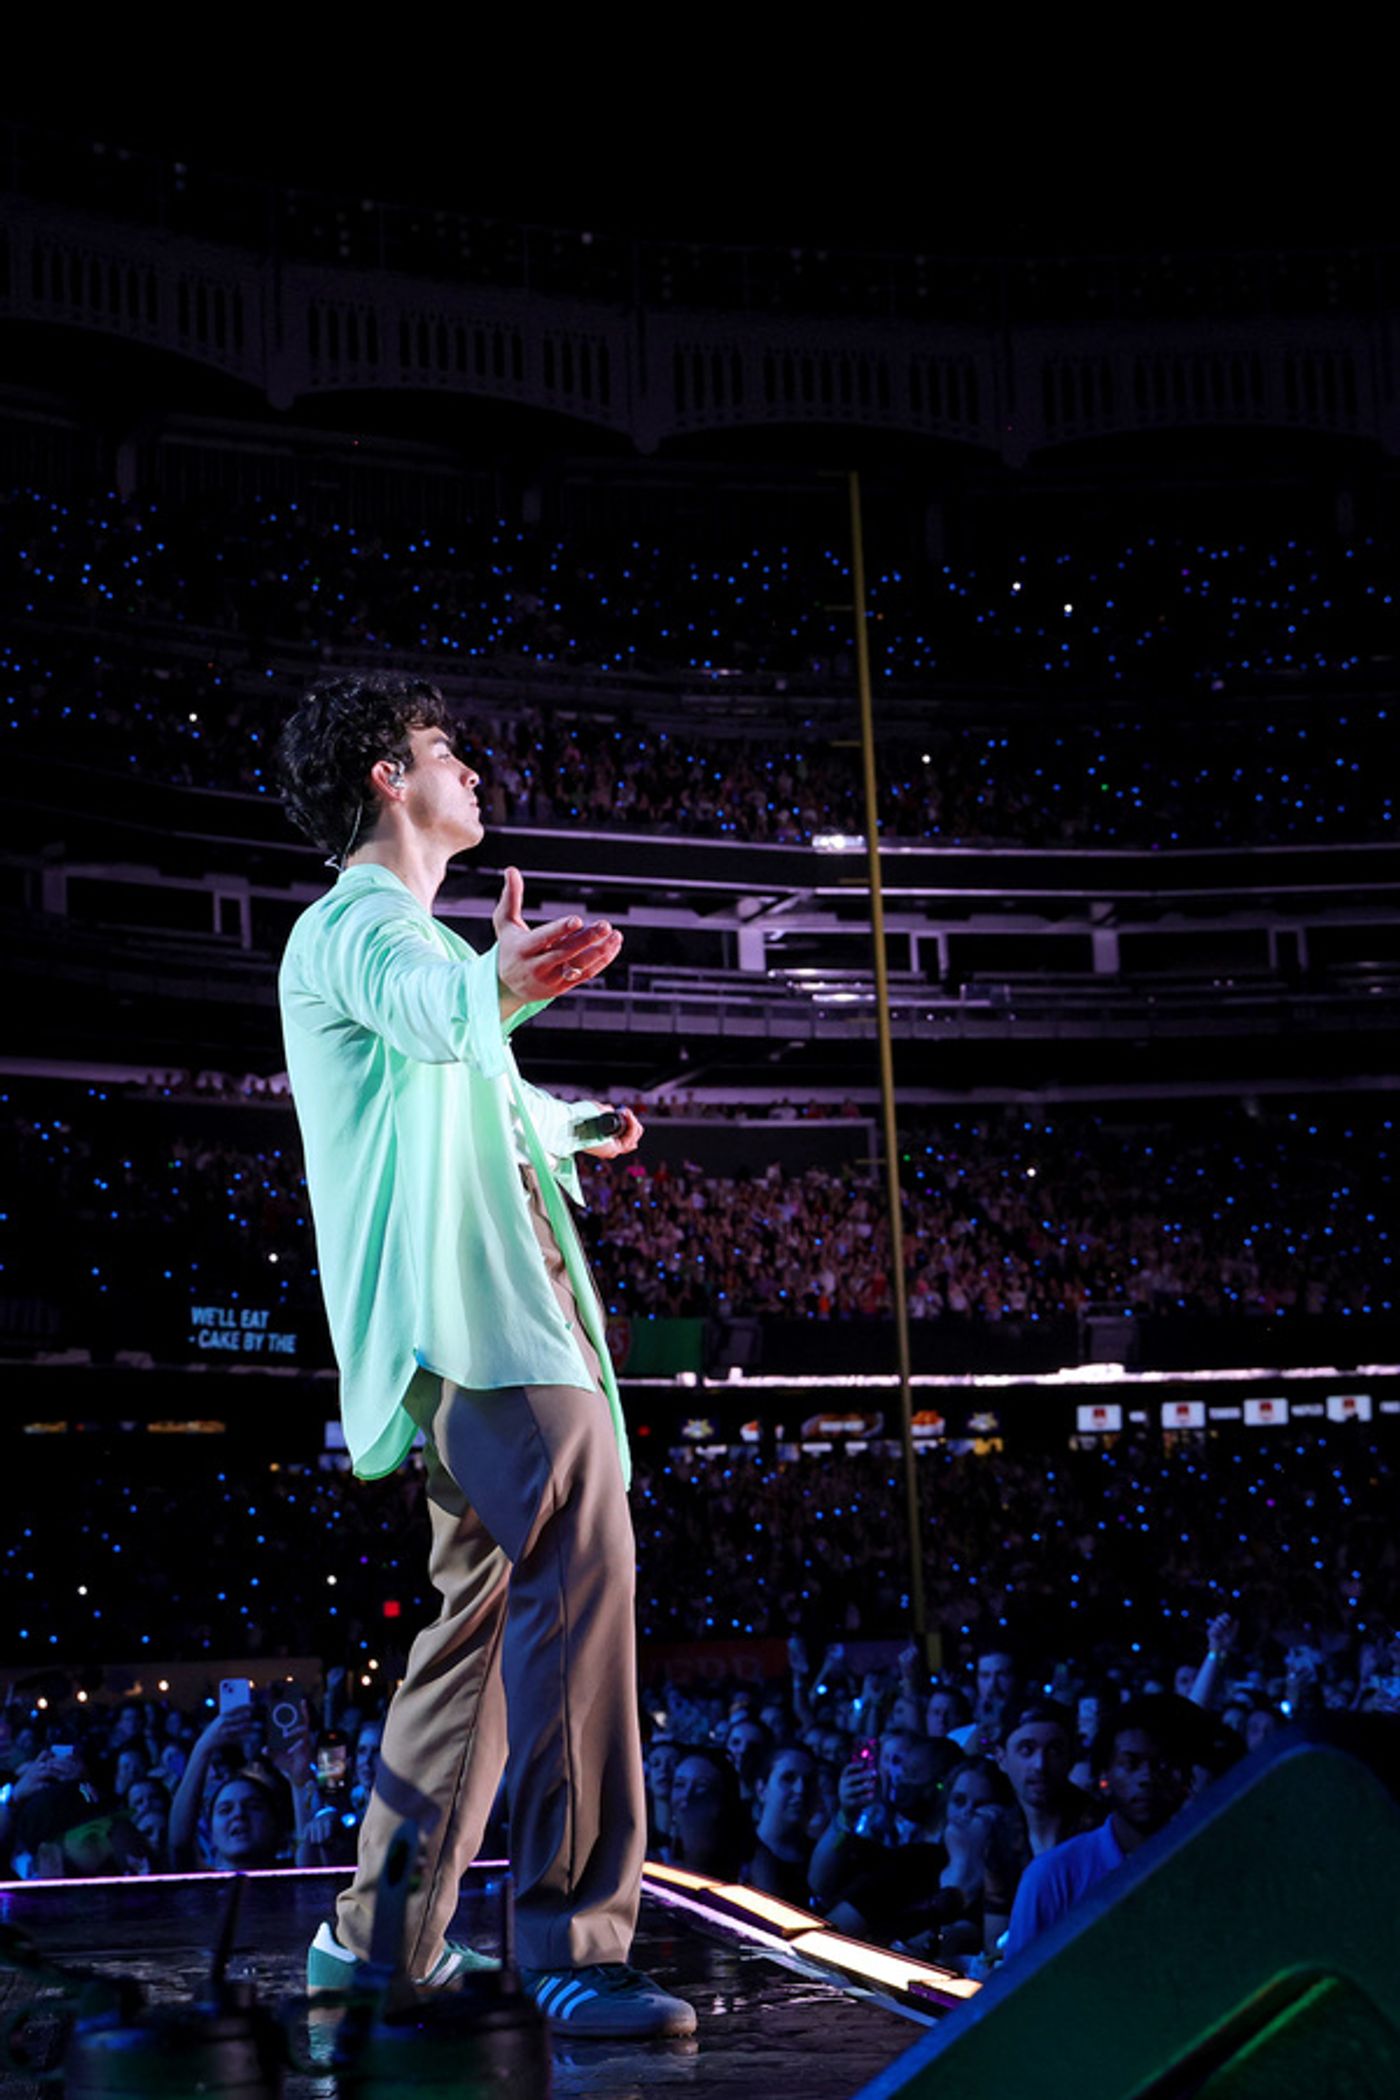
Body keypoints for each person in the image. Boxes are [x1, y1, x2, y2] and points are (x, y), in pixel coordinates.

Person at [275, 672, 693, 2040]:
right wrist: (493, 983)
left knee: (470, 1637)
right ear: (387, 777)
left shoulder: (406, 944)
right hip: (495, 1333)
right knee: (580, 1586)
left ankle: (376, 1946)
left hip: (463, 1341)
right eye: (443, 750)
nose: (469, 769)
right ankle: (575, 1945)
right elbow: (428, 1007)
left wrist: (573, 1123)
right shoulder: (360, 926)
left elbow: (469, 1088)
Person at [1003, 1696, 1197, 1956]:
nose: (1147, 1778)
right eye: (1131, 1764)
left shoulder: (1202, 1864)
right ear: (1104, 1776)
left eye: (1162, 1765)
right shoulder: (1053, 1875)